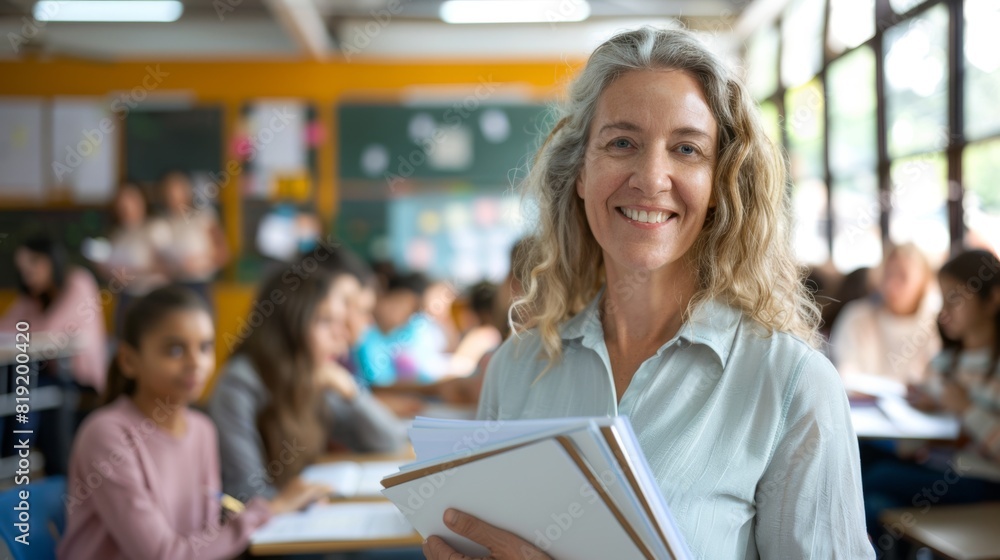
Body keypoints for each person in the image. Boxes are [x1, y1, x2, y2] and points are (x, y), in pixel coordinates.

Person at [423, 27, 872, 559]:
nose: (651, 177)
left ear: (719, 184)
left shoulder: (792, 384)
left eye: (686, 149)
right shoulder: (517, 368)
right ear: (581, 173)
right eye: (621, 143)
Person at [57, 286, 327, 560]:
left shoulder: (202, 429)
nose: (195, 362)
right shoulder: (106, 435)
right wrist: (270, 508)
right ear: (129, 360)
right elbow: (163, 555)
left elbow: (205, 538)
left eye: (205, 347)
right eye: (175, 350)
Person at [206, 263, 407, 502]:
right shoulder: (240, 384)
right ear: (288, 326)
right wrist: (299, 501)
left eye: (340, 322)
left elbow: (389, 440)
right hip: (264, 531)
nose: (340, 335)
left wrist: (351, 393)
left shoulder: (314, 375)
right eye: (324, 321)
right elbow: (246, 492)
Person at [863, 249, 1000, 557]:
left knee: (875, 478)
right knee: (867, 474)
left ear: (992, 300)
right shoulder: (945, 362)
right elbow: (935, 429)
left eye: (955, 298)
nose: (944, 310)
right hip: (938, 467)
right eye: (942, 298)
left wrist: (965, 409)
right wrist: (923, 405)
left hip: (981, 480)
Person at [830, 243, 941, 386]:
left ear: (924, 281)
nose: (892, 285)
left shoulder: (935, 326)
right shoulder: (857, 317)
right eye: (888, 274)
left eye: (903, 277)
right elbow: (846, 371)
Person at [98, 182, 170, 334]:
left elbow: (167, 266)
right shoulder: (117, 234)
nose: (126, 206)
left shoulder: (155, 228)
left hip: (151, 299)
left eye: (131, 199)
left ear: (142, 200)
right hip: (124, 298)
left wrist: (132, 273)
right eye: (121, 202)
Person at [154, 170, 229, 306]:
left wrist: (200, 263)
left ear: (188, 189)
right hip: (170, 286)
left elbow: (223, 253)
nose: (173, 195)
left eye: (178, 188)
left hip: (199, 285)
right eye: (169, 190)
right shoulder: (160, 222)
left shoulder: (204, 216)